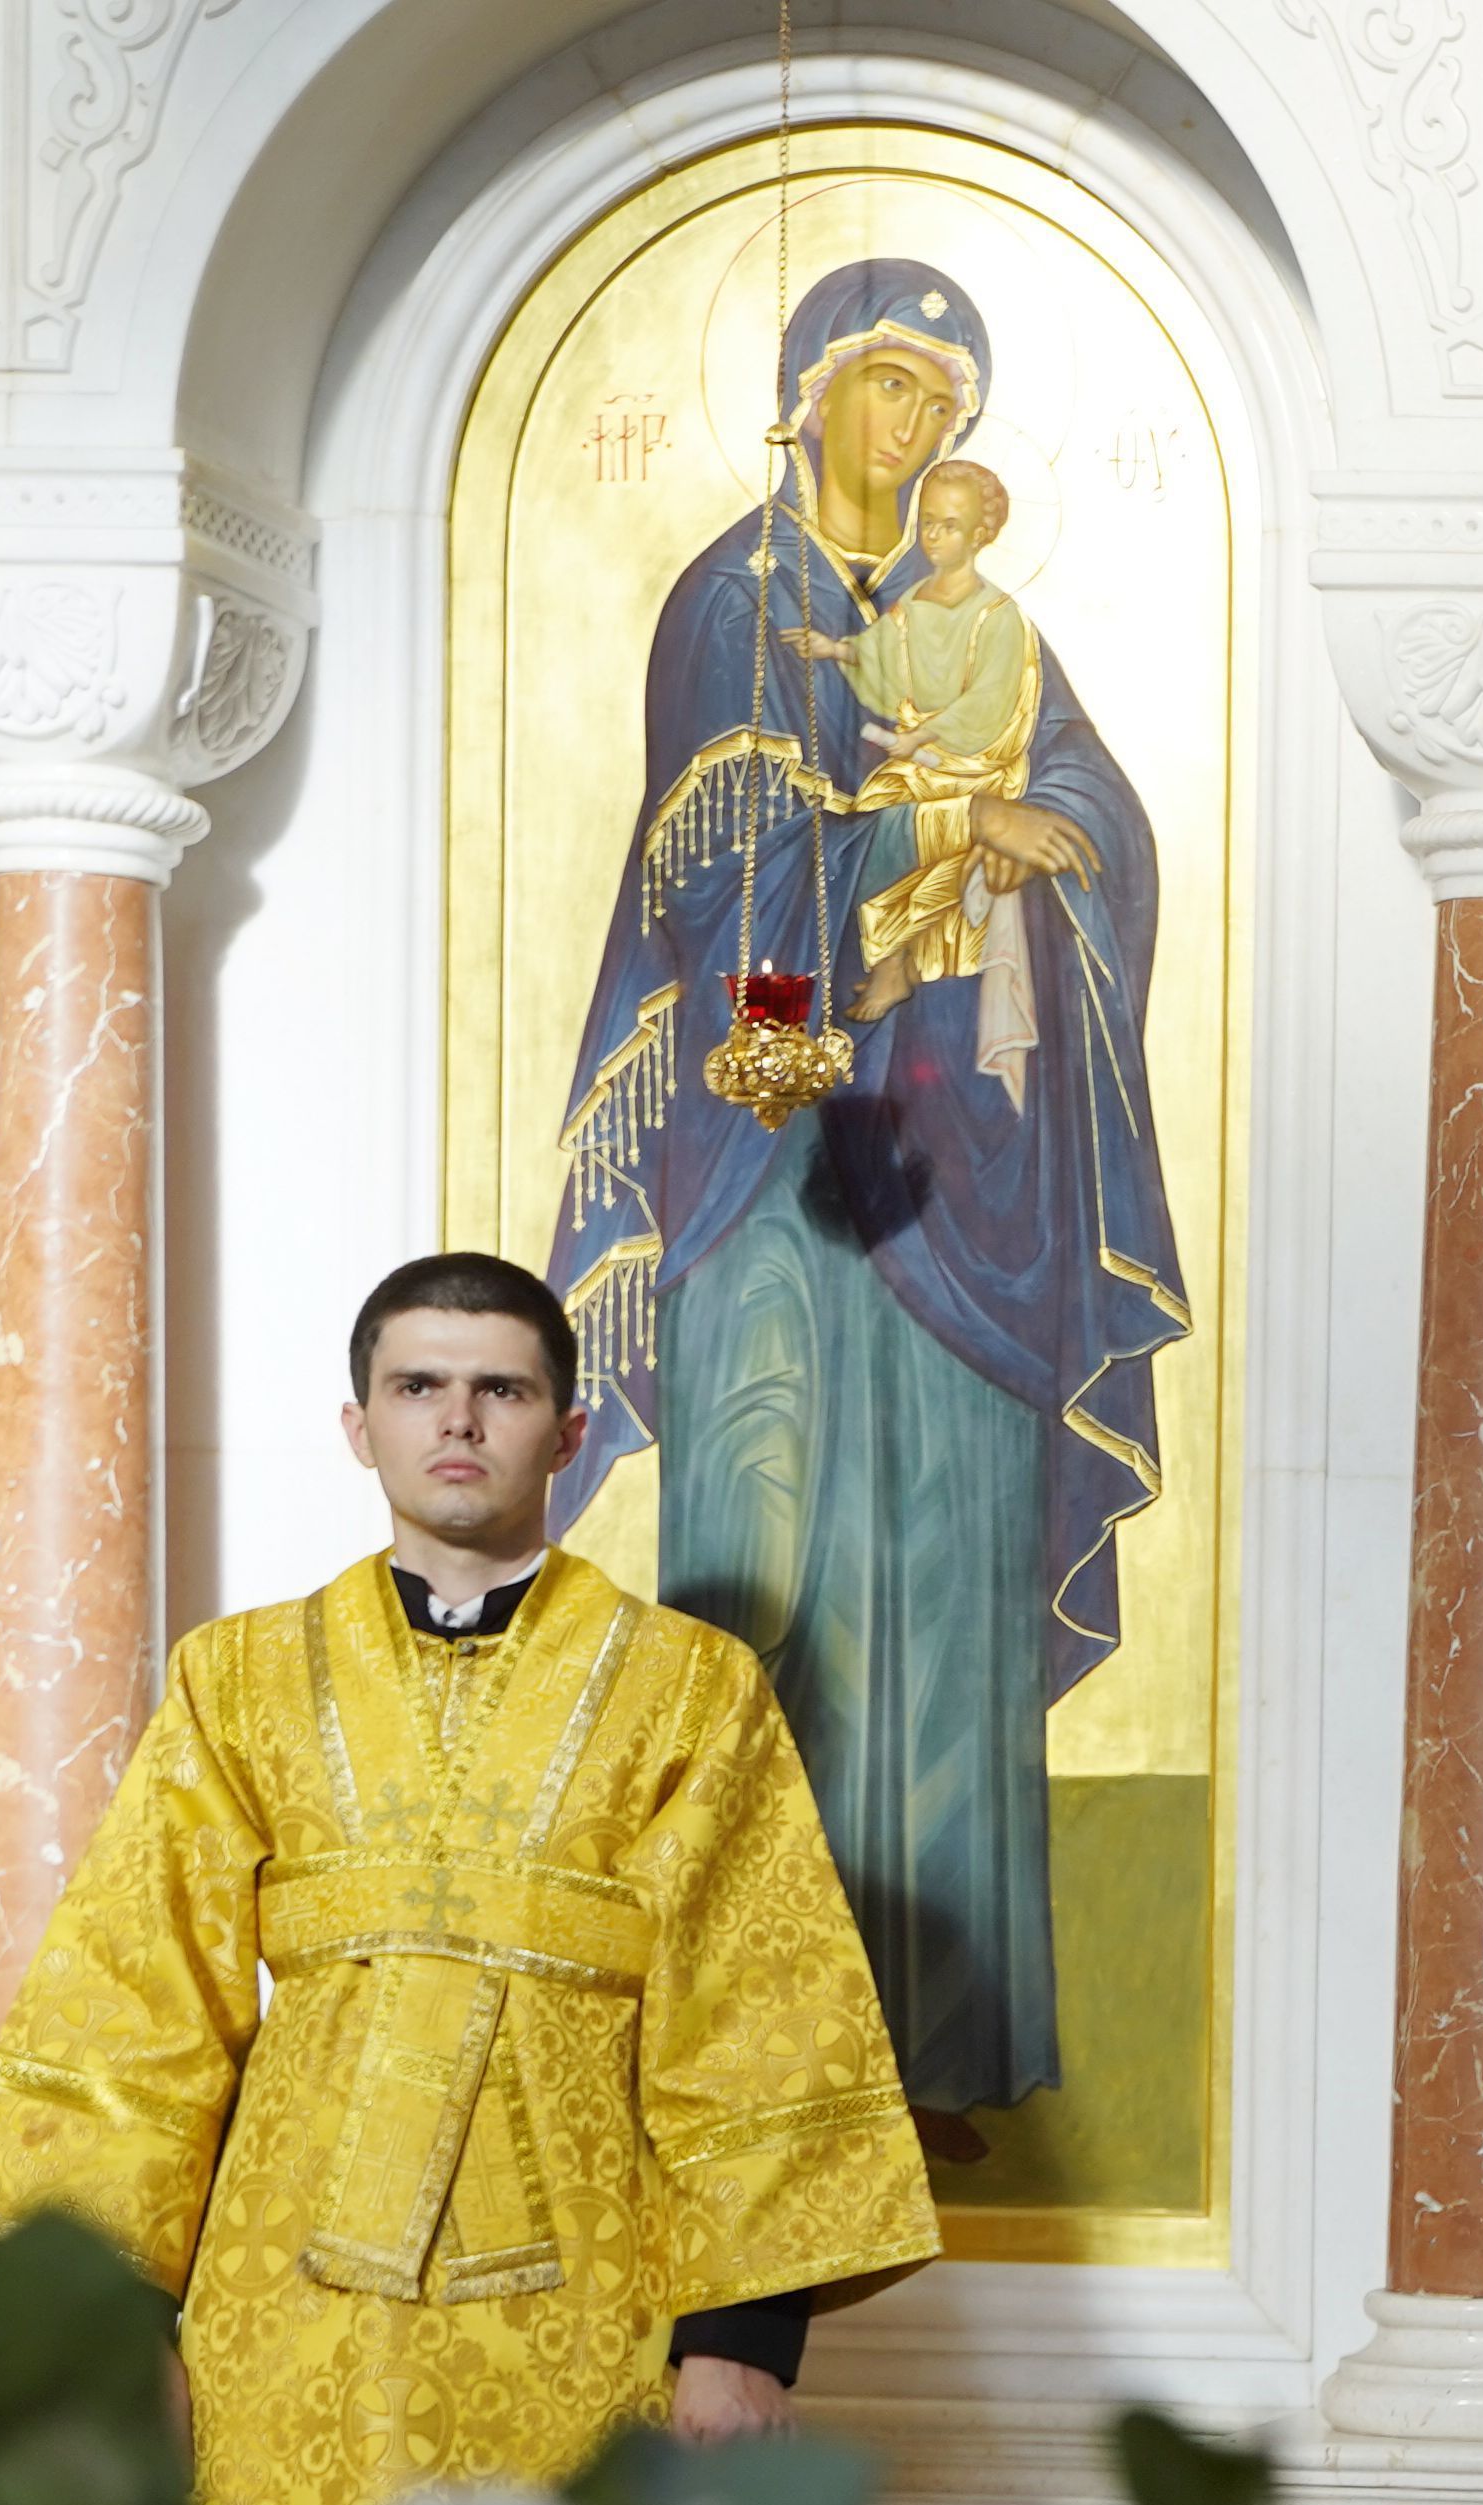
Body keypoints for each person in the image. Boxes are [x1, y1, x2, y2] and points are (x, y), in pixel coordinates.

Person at [0, 1255, 940, 2505]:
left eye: (500, 1391)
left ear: (567, 1434)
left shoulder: (694, 1690)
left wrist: (741, 2341)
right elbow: (133, 2000)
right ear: (361, 1426)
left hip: (592, 2296)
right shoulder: (236, 1679)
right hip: (285, 2303)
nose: (458, 1419)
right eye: (418, 1387)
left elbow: (761, 2002)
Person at [538, 255, 1194, 2142]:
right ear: (809, 392)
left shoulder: (971, 617)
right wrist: (943, 827)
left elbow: (1095, 807)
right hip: (773, 1173)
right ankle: (751, 2057)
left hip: (958, 1178)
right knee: (772, 1574)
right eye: (886, 386)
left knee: (953, 1569)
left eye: (940, 407)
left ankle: (943, 2053)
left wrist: (1047, 837)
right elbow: (720, 858)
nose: (907, 431)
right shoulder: (739, 604)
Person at [784, 454, 1048, 1065]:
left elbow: (989, 702)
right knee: (877, 813)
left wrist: (924, 735)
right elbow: (880, 656)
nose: (933, 536)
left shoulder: (998, 616)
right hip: (919, 760)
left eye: (949, 526)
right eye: (927, 522)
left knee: (933, 831)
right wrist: (835, 650)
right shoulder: (911, 603)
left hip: (977, 764)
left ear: (981, 533)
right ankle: (891, 956)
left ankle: (896, 961)